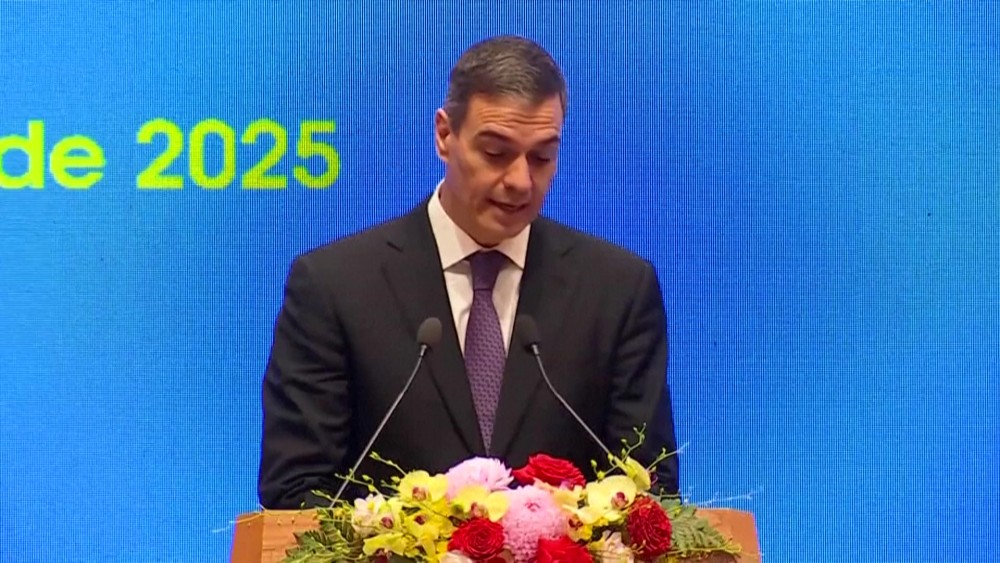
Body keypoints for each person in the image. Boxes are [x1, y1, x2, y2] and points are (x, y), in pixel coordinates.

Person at [257, 35, 679, 509]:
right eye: (496, 153)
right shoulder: (336, 286)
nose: (520, 181)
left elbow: (649, 490)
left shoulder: (616, 289)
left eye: (542, 157)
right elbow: (297, 489)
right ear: (444, 135)